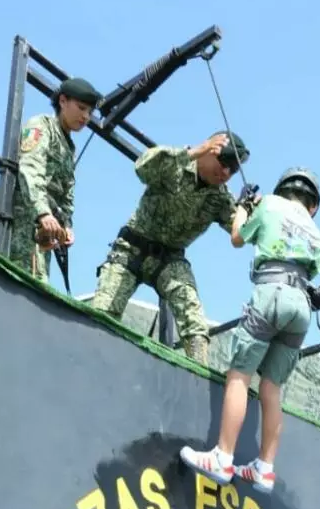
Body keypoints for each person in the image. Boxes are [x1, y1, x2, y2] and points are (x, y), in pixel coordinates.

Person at [179, 168, 320, 494]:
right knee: (271, 387)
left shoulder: (269, 204)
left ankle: (223, 457)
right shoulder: (316, 232)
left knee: (239, 374)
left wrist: (243, 207)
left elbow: (237, 237)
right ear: (313, 206)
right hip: (302, 306)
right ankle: (264, 469)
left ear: (282, 189)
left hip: (271, 293)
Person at [91, 132, 249, 364]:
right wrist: (196, 150)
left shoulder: (221, 198)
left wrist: (248, 210)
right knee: (104, 311)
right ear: (209, 151)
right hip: (131, 249)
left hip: (170, 260)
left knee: (195, 323)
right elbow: (143, 167)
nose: (225, 173)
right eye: (223, 163)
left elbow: (241, 236)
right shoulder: (177, 164)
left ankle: (198, 374)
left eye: (232, 170)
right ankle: (93, 358)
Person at [0, 77, 97, 283]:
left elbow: (66, 193)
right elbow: (30, 168)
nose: (86, 116)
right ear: (63, 101)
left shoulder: (68, 147)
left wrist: (66, 225)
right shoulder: (42, 126)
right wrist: (43, 212)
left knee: (36, 281)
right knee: (19, 281)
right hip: (17, 215)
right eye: (81, 108)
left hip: (39, 226)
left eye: (90, 112)